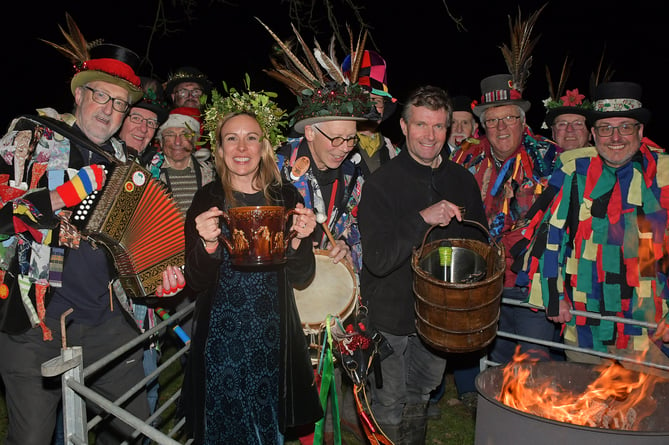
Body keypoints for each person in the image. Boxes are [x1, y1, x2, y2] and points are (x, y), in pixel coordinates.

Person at [0, 42, 184, 445]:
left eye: (120, 104)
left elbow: (134, 246)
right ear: (79, 94)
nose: (109, 110)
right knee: (31, 437)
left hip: (104, 321)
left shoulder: (126, 163)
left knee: (134, 432)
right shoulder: (31, 136)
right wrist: (62, 196)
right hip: (36, 324)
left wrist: (157, 283)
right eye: (101, 95)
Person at [181, 84, 322, 444]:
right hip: (221, 335)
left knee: (265, 424)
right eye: (231, 138)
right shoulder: (208, 198)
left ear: (264, 146)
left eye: (251, 138)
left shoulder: (286, 197)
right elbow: (195, 281)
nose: (242, 148)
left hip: (273, 334)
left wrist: (300, 240)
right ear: (219, 148)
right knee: (222, 424)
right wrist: (208, 243)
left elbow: (303, 276)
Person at [358, 85, 488, 444]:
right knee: (388, 400)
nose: (429, 136)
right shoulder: (381, 184)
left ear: (448, 128)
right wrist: (423, 219)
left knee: (421, 396)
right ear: (403, 127)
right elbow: (378, 259)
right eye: (420, 125)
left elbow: (480, 243)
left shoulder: (461, 179)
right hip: (390, 316)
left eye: (438, 127)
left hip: (439, 318)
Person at [513, 81, 669, 365]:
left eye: (625, 127)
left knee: (650, 407)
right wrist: (554, 293)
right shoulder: (574, 173)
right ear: (594, 134)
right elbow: (552, 236)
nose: (616, 137)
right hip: (586, 326)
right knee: (587, 405)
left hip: (649, 331)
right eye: (606, 128)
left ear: (641, 131)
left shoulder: (663, 177)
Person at [452, 73, 561, 365]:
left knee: (533, 363)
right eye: (492, 120)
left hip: (533, 284)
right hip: (485, 281)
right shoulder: (465, 160)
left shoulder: (550, 158)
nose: (500, 128)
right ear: (483, 126)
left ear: (523, 122)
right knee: (495, 362)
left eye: (509, 119)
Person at [116, 77, 170, 417]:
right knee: (75, 401)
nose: (144, 127)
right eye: (137, 118)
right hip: (98, 305)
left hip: (142, 305)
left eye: (151, 123)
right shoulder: (98, 162)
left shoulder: (153, 171)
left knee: (146, 391)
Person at [341, 49, 400, 175]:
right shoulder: (338, 149)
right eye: (364, 100)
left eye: (376, 101)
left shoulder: (395, 154)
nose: (371, 107)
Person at [118, 76, 169, 165]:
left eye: (150, 123)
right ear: (121, 120)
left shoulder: (158, 167)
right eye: (136, 118)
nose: (144, 129)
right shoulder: (95, 158)